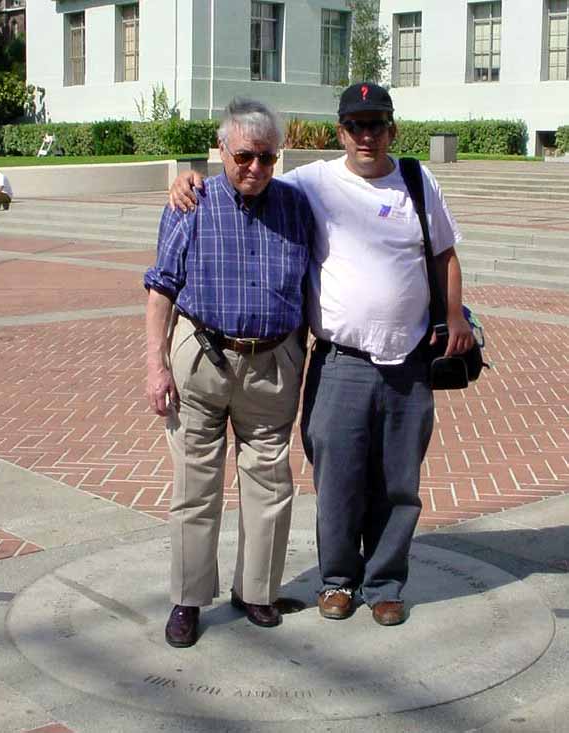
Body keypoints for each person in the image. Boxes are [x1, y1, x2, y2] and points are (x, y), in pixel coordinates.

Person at [169, 83, 474, 628]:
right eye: (355, 125)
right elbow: (246, 179)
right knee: (336, 478)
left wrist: (453, 317)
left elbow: (445, 252)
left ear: (392, 130)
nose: (366, 135)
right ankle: (337, 579)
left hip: (407, 361)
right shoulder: (311, 182)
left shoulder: (417, 180)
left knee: (399, 482)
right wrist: (189, 181)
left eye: (376, 124)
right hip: (340, 360)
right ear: (340, 132)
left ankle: (384, 583)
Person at [144, 98, 313, 648]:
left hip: (272, 363)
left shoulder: (295, 205)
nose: (255, 169)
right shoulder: (190, 203)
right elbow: (161, 288)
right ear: (222, 151)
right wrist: (155, 366)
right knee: (195, 486)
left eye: (267, 157)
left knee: (270, 480)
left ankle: (256, 591)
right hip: (202, 360)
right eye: (244, 156)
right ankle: (189, 599)